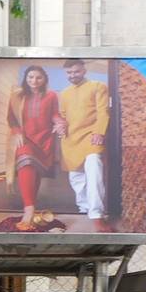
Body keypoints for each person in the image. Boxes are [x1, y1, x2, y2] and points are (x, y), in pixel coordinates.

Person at [53, 58, 112, 230]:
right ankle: (84, 208)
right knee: (76, 177)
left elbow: (103, 112)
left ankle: (96, 214)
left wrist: (99, 132)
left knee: (94, 171)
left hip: (91, 136)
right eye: (69, 73)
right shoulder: (64, 93)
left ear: (84, 71)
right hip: (71, 139)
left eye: (76, 71)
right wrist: (60, 126)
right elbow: (62, 116)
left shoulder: (97, 86)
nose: (73, 75)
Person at [6, 65, 61, 232]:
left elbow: (54, 114)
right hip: (25, 139)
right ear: (26, 78)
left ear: (44, 79)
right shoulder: (17, 96)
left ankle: (31, 205)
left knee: (34, 172)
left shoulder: (51, 96)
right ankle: (28, 210)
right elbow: (11, 118)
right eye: (30, 77)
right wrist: (17, 132)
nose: (34, 81)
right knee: (26, 164)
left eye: (38, 77)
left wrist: (60, 122)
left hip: (45, 140)